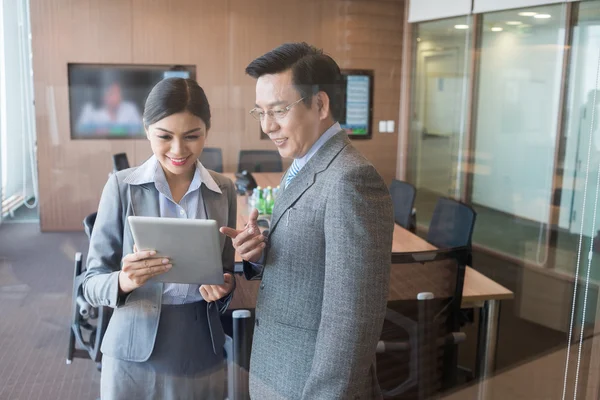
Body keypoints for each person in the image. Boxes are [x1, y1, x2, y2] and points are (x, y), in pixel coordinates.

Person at [220, 42, 394, 399]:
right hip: (282, 371)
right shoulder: (304, 164)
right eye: (260, 112)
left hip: (310, 384)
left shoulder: (351, 179)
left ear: (321, 104)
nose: (267, 126)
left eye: (279, 110)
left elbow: (352, 321)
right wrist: (259, 254)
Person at [82, 77, 236, 399]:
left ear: (207, 130)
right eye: (164, 136)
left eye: (192, 136)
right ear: (146, 128)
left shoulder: (224, 191)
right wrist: (124, 280)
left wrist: (225, 287)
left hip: (199, 346)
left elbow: (224, 273)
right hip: (131, 349)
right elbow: (91, 283)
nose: (179, 150)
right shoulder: (122, 187)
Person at [76, 82, 143, 136]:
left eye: (118, 93)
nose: (117, 97)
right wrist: (96, 130)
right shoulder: (90, 109)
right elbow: (79, 131)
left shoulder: (130, 109)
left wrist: (116, 130)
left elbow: (140, 130)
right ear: (104, 95)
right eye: (112, 94)